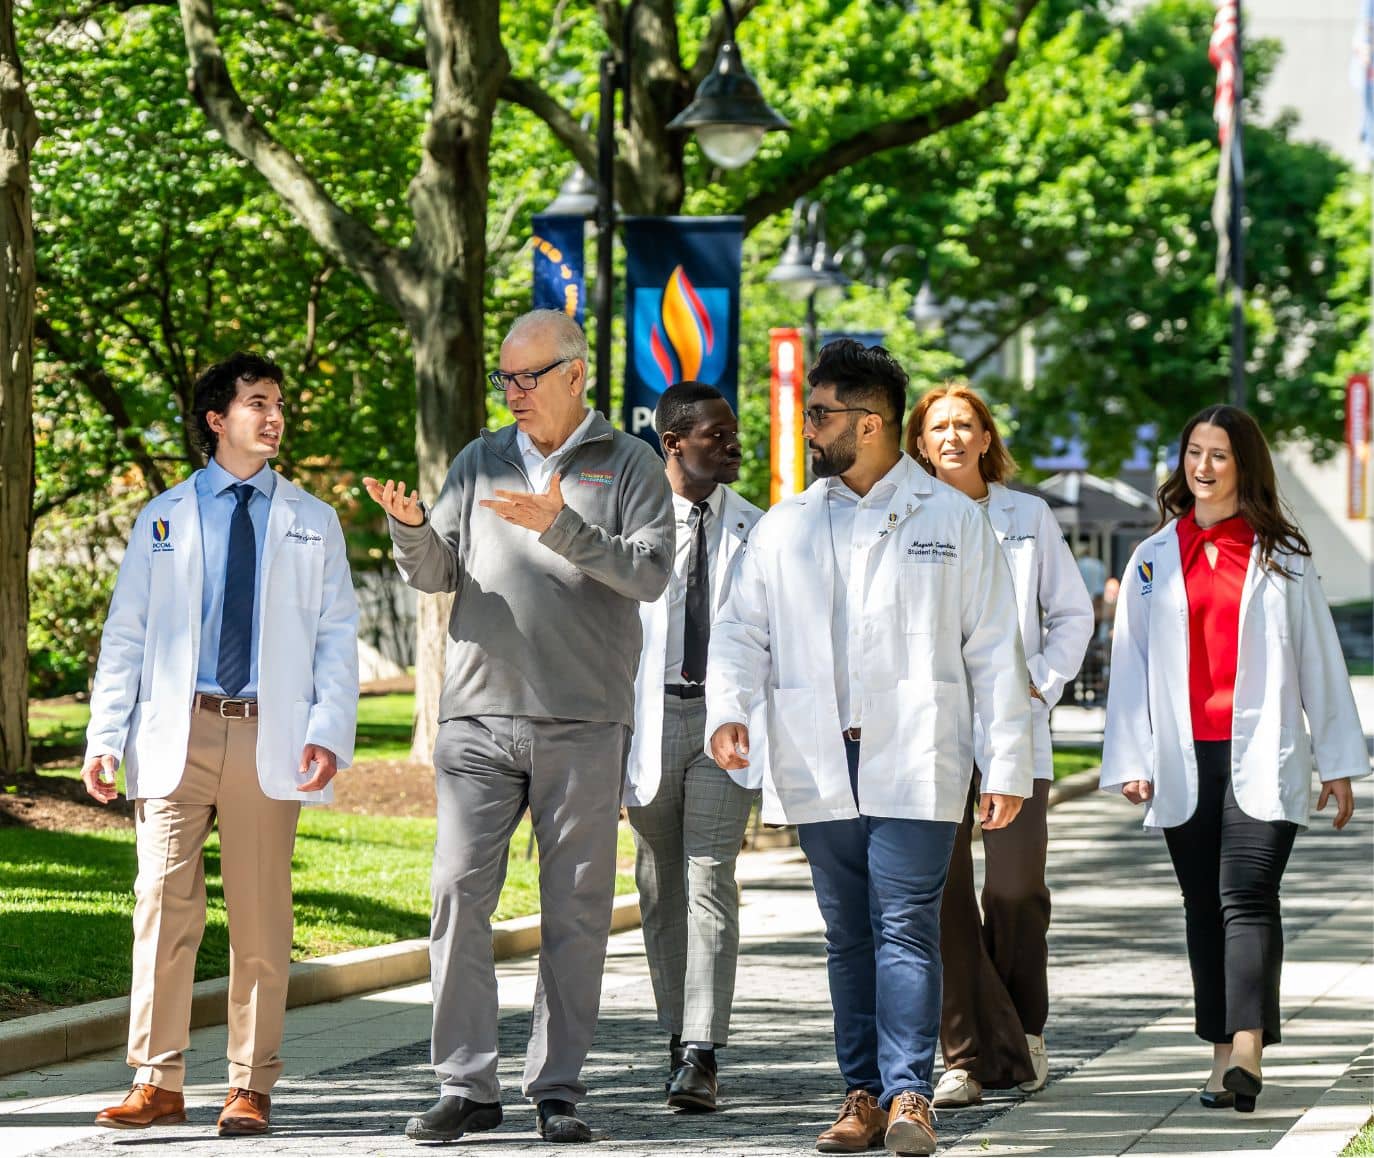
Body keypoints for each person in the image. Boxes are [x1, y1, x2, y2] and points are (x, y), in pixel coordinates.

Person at [705, 340, 1034, 1157]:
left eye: (822, 414)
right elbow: (741, 632)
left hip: (918, 754)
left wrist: (1007, 762)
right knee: (846, 932)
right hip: (821, 755)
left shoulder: (953, 521)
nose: (810, 428)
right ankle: (859, 1094)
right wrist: (730, 709)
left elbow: (996, 650)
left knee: (907, 926)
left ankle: (909, 1096)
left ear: (874, 423)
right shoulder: (785, 526)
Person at [365, 309, 674, 1145]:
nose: (513, 394)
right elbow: (439, 574)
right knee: (457, 893)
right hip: (476, 714)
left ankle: (557, 1088)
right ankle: (465, 1084)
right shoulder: (479, 458)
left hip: (583, 719)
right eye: (505, 380)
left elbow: (649, 575)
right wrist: (410, 528)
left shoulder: (631, 462)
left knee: (574, 912)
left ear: (575, 374)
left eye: (528, 378)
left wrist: (562, 527)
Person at [82, 352, 360, 1136]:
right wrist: (105, 738)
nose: (274, 418)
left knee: (262, 916)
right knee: (162, 907)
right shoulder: (164, 517)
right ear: (217, 419)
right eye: (258, 404)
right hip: (177, 733)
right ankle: (158, 1079)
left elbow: (339, 636)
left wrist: (328, 731)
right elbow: (126, 636)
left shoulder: (311, 520)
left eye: (278, 405)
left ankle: (250, 1083)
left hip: (267, 731)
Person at [1100, 405, 1366, 1113]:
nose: (1205, 467)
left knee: (1246, 895)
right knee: (1201, 907)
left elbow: (1319, 659)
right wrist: (1129, 755)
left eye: (1220, 454)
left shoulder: (1284, 553)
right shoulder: (1154, 556)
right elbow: (1131, 664)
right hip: (1185, 756)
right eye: (1194, 452)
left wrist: (1337, 761)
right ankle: (1222, 1056)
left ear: (1244, 465)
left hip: (1264, 748)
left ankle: (1247, 1043)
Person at [906, 382, 1094, 1107]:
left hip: (1014, 728)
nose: (951, 437)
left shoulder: (1028, 517)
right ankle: (963, 1056)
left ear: (987, 438)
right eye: (936, 427)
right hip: (932, 730)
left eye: (964, 425)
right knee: (944, 893)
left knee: (1015, 890)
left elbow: (1072, 613)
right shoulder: (908, 516)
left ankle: (1025, 1032)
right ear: (920, 443)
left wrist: (1039, 685)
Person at [624, 382, 764, 1113]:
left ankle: (702, 1051)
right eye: (717, 434)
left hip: (726, 723)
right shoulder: (633, 525)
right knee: (660, 889)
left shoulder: (759, 528)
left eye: (733, 432)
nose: (734, 443)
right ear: (674, 443)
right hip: (650, 723)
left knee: (711, 878)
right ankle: (676, 1036)